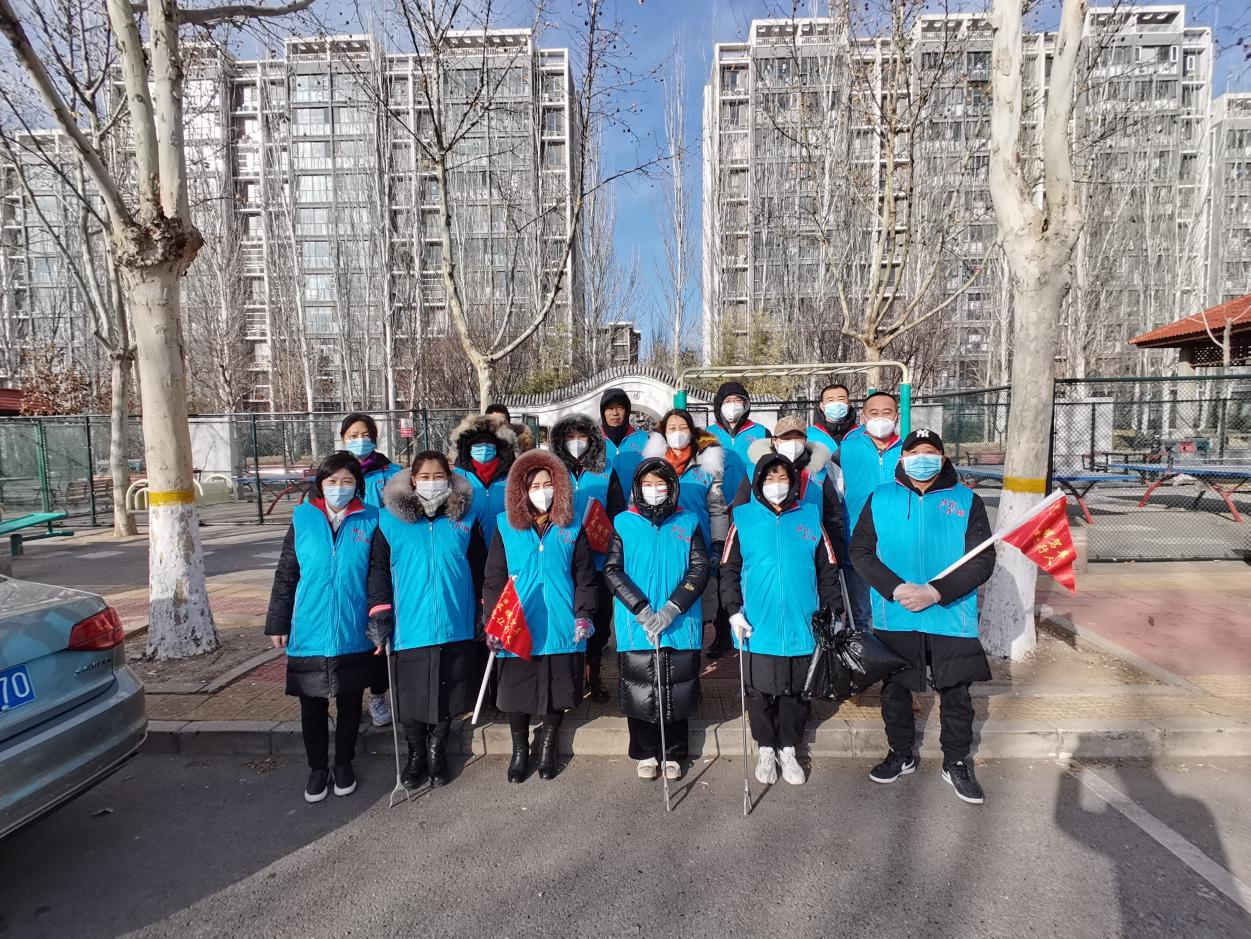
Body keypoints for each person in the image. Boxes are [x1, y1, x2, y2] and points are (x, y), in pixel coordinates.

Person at [849, 428, 995, 805]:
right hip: (896, 613)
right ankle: (901, 753)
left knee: (956, 692)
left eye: (930, 452)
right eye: (914, 453)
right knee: (895, 690)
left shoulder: (967, 500)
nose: (922, 459)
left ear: (942, 459)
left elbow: (982, 560)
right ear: (902, 459)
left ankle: (956, 761)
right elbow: (860, 552)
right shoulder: (880, 498)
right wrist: (896, 588)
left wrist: (936, 592)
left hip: (951, 614)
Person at [365, 451, 485, 790]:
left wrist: (482, 608)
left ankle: (437, 752)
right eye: (425, 476)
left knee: (448, 693)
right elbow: (378, 570)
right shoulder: (389, 520)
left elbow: (480, 565)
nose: (432, 482)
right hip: (409, 625)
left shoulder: (465, 518)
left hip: (454, 621)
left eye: (439, 476)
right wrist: (380, 612)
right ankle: (416, 753)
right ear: (413, 480)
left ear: (450, 478)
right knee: (411, 696)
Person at [721, 453, 842, 786]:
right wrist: (732, 610)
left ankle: (788, 748)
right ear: (758, 483)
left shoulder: (810, 517)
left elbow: (828, 570)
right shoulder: (743, 519)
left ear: (792, 482)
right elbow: (728, 570)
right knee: (759, 691)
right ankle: (765, 747)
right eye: (769, 478)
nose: (776, 485)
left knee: (795, 691)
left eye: (783, 478)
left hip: (802, 623)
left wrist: (833, 613)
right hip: (757, 623)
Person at [265, 451, 379, 803]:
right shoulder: (303, 518)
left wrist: (379, 616)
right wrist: (278, 621)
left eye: (347, 481)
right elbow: (286, 573)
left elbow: (377, 574)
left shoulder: (371, 519)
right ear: (320, 484)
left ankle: (344, 762)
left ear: (357, 485)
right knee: (311, 704)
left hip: (353, 628)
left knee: (350, 702)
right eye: (332, 481)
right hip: (309, 627)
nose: (339, 488)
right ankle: (317, 767)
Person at [482, 449, 597, 783]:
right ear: (521, 490)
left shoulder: (572, 526)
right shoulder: (504, 526)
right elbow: (493, 577)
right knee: (517, 690)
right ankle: (520, 749)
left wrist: (584, 614)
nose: (542, 492)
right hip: (518, 622)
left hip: (561, 621)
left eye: (548, 484)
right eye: (534, 486)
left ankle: (548, 745)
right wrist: (493, 621)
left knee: (556, 689)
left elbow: (585, 576)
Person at [603, 459, 710, 780]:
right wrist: (641, 608)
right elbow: (612, 570)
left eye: (660, 484)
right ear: (637, 488)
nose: (653, 490)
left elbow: (700, 568)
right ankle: (645, 751)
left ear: (671, 487)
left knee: (677, 690)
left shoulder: (688, 522)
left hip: (679, 622)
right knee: (640, 690)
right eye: (647, 484)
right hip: (637, 624)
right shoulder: (623, 522)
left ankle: (674, 752)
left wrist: (673, 607)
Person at [340, 412, 403, 728]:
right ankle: (348, 695)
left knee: (381, 629)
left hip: (383, 560)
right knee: (352, 631)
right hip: (349, 561)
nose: (359, 440)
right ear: (343, 439)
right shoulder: (336, 474)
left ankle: (378, 695)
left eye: (365, 434)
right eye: (352, 435)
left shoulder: (393, 473)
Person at [550, 413, 616, 702]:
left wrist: (605, 531)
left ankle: (595, 674)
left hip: (598, 558)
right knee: (567, 615)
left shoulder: (606, 469)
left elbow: (616, 510)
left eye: (582, 436)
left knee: (598, 616)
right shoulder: (552, 469)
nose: (576, 442)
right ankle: (570, 677)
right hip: (563, 556)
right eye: (570, 437)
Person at [706, 381, 770, 656]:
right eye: (727, 400)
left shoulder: (760, 433)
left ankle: (756, 625)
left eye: (738, 400)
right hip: (718, 515)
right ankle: (722, 632)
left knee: (750, 570)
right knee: (723, 571)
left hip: (751, 513)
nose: (733, 406)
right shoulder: (707, 435)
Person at [839, 391, 902, 629]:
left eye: (887, 412)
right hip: (857, 538)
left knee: (898, 604)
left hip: (898, 539)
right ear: (863, 418)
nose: (880, 418)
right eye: (873, 413)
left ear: (896, 416)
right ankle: (860, 647)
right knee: (859, 611)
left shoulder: (908, 451)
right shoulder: (845, 450)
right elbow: (833, 494)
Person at [739, 414, 844, 555]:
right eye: (786, 438)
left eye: (797, 438)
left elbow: (833, 518)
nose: (792, 443)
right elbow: (740, 513)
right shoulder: (754, 472)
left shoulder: (818, 474)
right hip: (762, 548)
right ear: (775, 441)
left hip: (808, 550)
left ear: (805, 440)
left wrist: (836, 556)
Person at [449, 412, 517, 544]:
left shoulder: (513, 477)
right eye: (478, 443)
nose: (484, 447)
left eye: (489, 443)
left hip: (505, 548)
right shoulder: (455, 478)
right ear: (468, 447)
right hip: (469, 549)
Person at [600, 387, 649, 507]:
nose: (615, 413)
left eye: (620, 407)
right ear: (603, 412)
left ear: (627, 411)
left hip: (636, 511)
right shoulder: (594, 441)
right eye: (609, 408)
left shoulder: (644, 439)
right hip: (602, 511)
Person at [808, 384, 858, 454]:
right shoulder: (808, 435)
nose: (836, 404)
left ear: (848, 404)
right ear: (822, 406)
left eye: (841, 399)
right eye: (831, 400)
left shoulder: (861, 433)